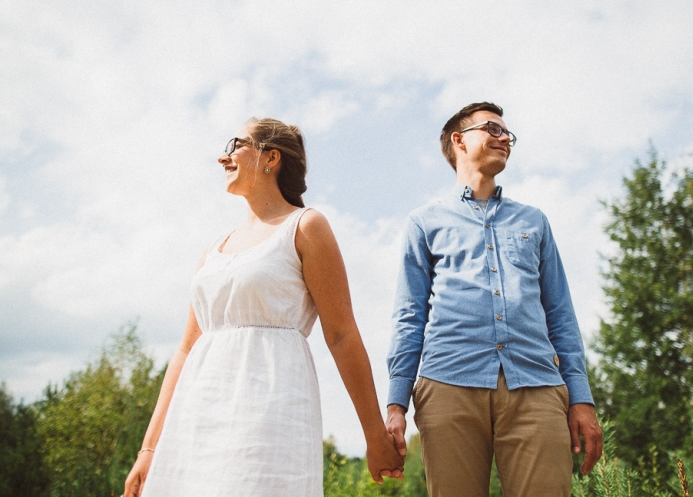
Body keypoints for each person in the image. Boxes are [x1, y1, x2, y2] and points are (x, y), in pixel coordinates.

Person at [124, 117, 404, 497]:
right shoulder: (213, 248)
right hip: (196, 417)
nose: (224, 158)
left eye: (235, 144)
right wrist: (150, 448)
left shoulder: (305, 226)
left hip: (268, 415)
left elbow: (341, 335)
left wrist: (375, 436)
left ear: (270, 157)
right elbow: (186, 349)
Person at [385, 102, 603, 497]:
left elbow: (560, 314)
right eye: (493, 129)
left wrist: (581, 398)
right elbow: (409, 315)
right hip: (448, 385)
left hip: (536, 385)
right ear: (459, 140)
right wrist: (396, 403)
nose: (505, 139)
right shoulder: (424, 222)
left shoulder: (534, 221)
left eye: (508, 135)